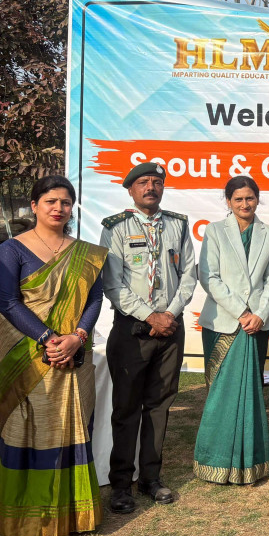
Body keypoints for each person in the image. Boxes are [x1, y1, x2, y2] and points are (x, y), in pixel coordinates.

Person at [0, 175, 107, 536]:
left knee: (73, 424)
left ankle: (74, 513)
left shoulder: (85, 253)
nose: (59, 208)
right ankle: (24, 517)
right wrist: (49, 339)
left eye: (65, 202)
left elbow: (94, 298)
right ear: (34, 206)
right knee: (27, 427)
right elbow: (8, 302)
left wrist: (77, 338)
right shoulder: (12, 250)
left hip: (74, 354)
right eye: (51, 201)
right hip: (28, 353)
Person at [100, 162, 197, 513]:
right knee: (126, 409)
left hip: (170, 329)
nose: (151, 187)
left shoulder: (178, 224)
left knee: (159, 406)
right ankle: (121, 484)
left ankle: (151, 478)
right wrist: (149, 316)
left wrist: (169, 314)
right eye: (143, 182)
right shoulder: (115, 227)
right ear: (131, 189)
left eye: (157, 182)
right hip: (132, 331)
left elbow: (189, 274)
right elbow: (112, 283)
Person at [194, 176, 269, 484]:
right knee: (221, 393)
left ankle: (249, 461)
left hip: (257, 325)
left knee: (250, 392)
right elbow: (209, 276)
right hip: (223, 322)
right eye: (238, 199)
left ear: (258, 198)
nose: (245, 204)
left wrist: (259, 314)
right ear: (228, 201)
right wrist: (242, 312)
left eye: (250, 198)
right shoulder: (216, 231)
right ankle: (216, 460)